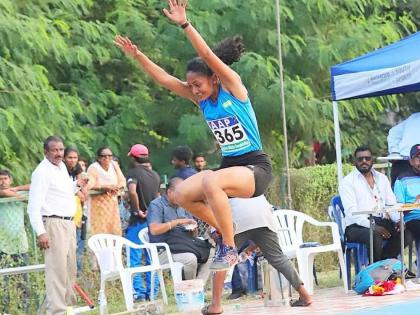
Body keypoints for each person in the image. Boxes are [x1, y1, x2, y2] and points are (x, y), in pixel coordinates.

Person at [115, 0, 272, 270]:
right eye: (191, 86)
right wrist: (138, 55)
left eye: (198, 84)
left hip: (254, 167)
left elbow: (209, 57)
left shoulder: (233, 89)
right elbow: (165, 79)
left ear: (213, 78)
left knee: (211, 180)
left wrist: (185, 24)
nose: (194, 89)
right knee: (182, 194)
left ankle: (230, 246)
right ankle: (226, 228)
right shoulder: (201, 100)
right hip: (230, 167)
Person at [202, 195, 312, 315]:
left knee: (222, 259)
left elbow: (216, 208)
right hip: (264, 216)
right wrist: (251, 248)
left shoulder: (219, 181)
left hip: (237, 217)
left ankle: (215, 305)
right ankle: (305, 296)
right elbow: (257, 229)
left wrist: (213, 228)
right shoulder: (250, 180)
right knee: (278, 258)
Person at [27, 136, 88, 314]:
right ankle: (57, 311)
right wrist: (41, 232)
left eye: (61, 150)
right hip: (53, 224)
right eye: (54, 150)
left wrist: (77, 185)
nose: (58, 153)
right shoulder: (41, 172)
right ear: (46, 152)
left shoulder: (61, 168)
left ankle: (51, 309)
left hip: (69, 223)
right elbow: (33, 207)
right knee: (56, 271)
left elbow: (64, 191)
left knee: (69, 270)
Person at [339, 146, 402, 262]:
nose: (364, 161)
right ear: (355, 161)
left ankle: (385, 263)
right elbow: (352, 213)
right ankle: (376, 273)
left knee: (405, 232)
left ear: (372, 160)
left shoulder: (382, 178)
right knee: (375, 235)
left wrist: (398, 220)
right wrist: (373, 226)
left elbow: (391, 204)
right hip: (356, 225)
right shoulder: (347, 182)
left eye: (367, 158)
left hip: (379, 220)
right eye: (360, 159)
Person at [147, 177, 213, 282]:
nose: (183, 196)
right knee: (190, 259)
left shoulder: (184, 204)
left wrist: (193, 229)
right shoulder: (157, 205)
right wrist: (177, 222)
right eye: (180, 193)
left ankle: (198, 287)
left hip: (184, 244)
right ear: (169, 192)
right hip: (165, 250)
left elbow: (192, 232)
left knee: (211, 253)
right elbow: (154, 230)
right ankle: (188, 290)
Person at [125, 144, 161, 301]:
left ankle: (138, 293)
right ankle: (153, 292)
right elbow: (158, 196)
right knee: (152, 256)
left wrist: (137, 209)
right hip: (152, 221)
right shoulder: (155, 175)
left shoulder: (133, 173)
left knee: (134, 256)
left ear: (133, 157)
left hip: (138, 221)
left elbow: (132, 191)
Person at [0, 169, 30, 313]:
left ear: (10, 180)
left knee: (23, 279)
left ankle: (23, 309)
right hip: (2, 245)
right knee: (3, 282)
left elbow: (34, 186)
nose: (3, 181)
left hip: (20, 244)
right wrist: (20, 197)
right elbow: (4, 193)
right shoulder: (4, 193)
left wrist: (17, 189)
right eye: (0, 179)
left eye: (5, 178)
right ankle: (5, 310)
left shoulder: (17, 191)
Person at [87, 146, 126, 236]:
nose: (107, 158)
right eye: (104, 156)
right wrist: (105, 187)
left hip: (113, 204)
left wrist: (117, 187)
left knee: (114, 231)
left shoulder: (114, 165)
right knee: (100, 231)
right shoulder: (93, 168)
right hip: (98, 204)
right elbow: (89, 185)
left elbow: (122, 180)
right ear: (99, 158)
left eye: (109, 156)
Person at [63, 147, 88, 274]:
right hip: (62, 214)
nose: (73, 160)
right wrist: (77, 191)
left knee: (77, 245)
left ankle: (76, 273)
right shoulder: (59, 171)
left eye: (75, 158)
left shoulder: (77, 170)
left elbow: (85, 194)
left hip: (77, 214)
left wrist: (80, 189)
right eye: (70, 157)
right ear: (63, 158)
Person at [394, 144, 420, 240]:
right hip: (413, 218)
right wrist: (414, 204)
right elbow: (397, 209)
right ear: (411, 161)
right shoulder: (402, 180)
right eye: (418, 157)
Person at [387, 112, 420, 186]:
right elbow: (393, 132)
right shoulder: (415, 117)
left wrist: (394, 152)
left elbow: (393, 132)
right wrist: (394, 152)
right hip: (404, 163)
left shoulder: (415, 117)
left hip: (403, 161)